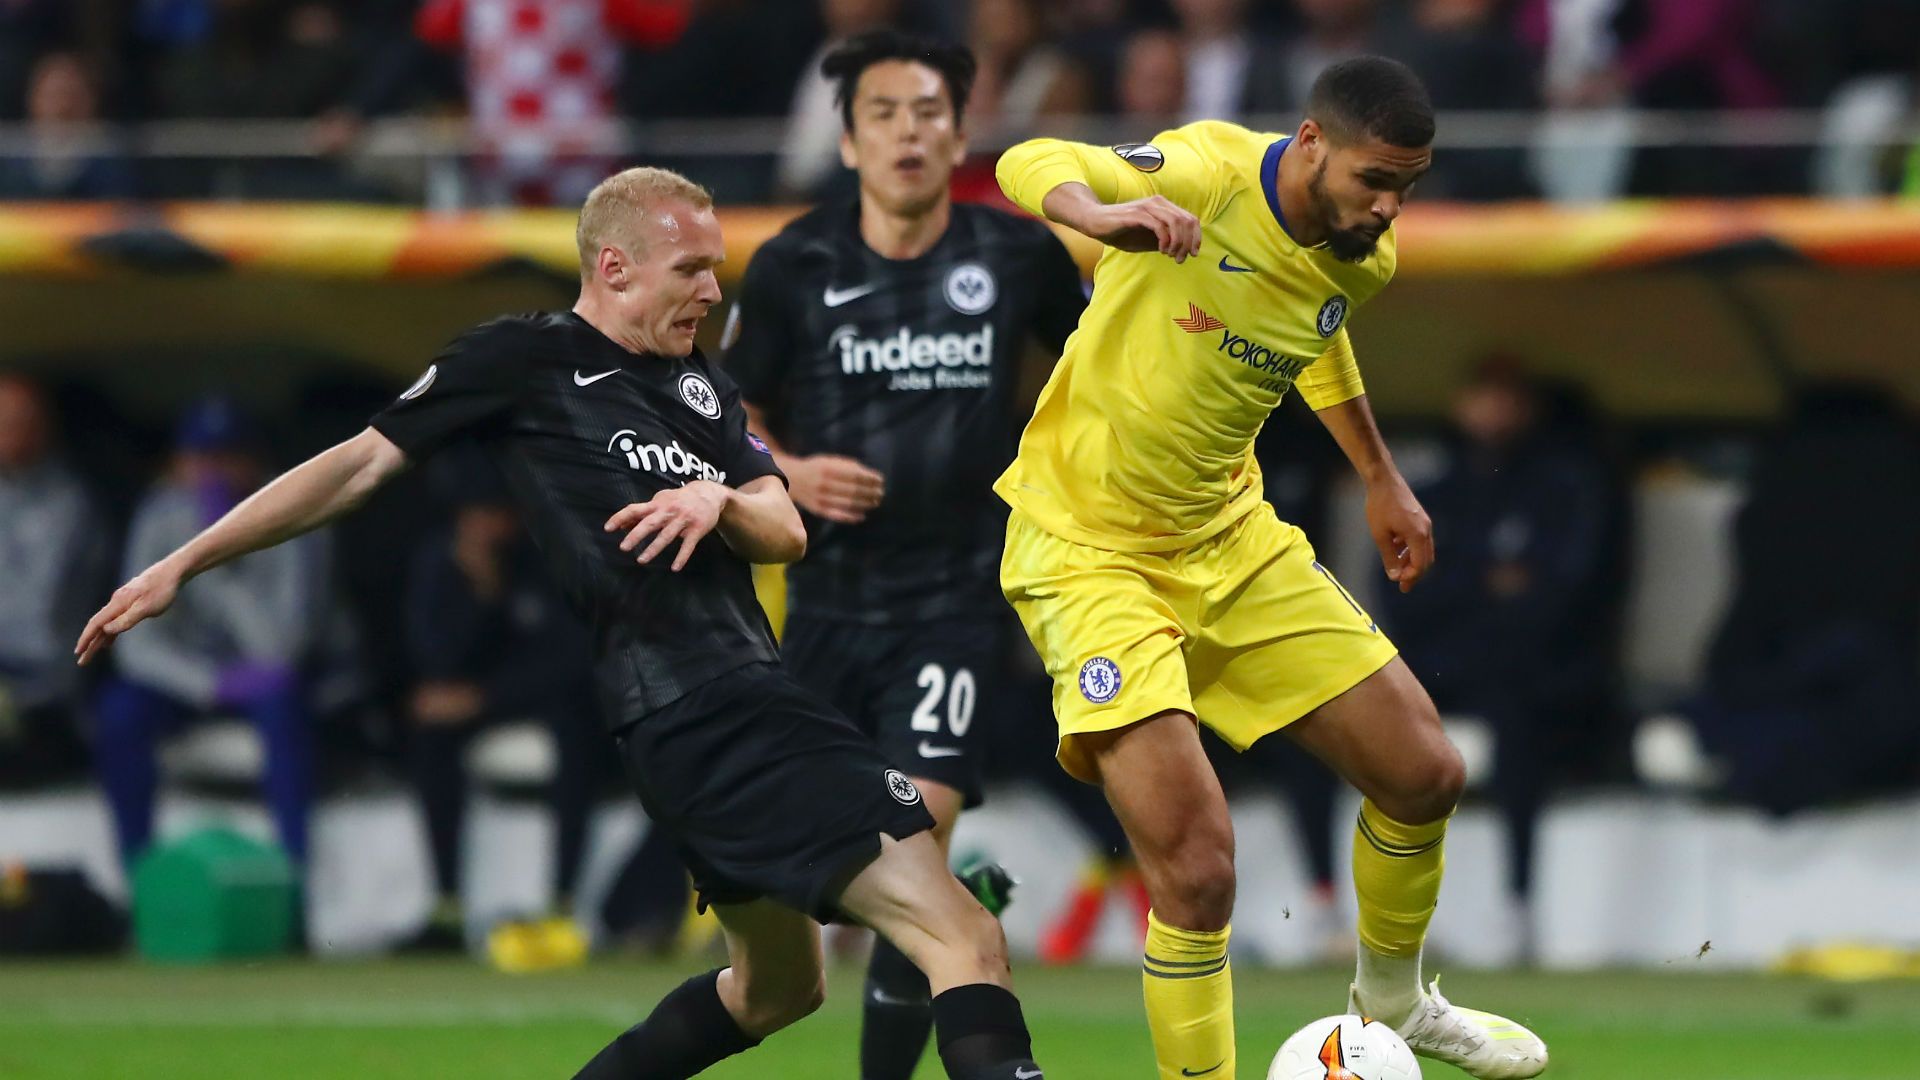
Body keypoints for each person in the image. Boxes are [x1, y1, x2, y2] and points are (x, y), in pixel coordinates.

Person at [77, 166, 1050, 1080]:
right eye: (694, 269)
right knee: (961, 936)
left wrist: (717, 499)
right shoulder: (523, 359)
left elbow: (784, 525)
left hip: (711, 719)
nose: (714, 291)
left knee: (777, 992)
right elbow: (358, 465)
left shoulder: (699, 385)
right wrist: (185, 561)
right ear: (615, 268)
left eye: (717, 267)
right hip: (713, 711)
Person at [992, 57, 1548, 1079]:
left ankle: (1394, 1002)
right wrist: (1098, 214)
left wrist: (1381, 476)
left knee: (1425, 773)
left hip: (1229, 539)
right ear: (1309, 145)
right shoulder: (1203, 171)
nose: (1387, 208)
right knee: (1198, 873)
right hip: (1090, 551)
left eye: (1406, 188)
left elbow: (1309, 330)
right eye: (1373, 181)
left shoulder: (1360, 257)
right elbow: (1028, 157)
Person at [723, 31, 1085, 1080]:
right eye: (883, 114)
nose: (908, 133)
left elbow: (1099, 370)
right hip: (825, 602)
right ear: (847, 143)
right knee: (825, 881)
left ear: (963, 134)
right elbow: (721, 409)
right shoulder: (796, 263)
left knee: (910, 837)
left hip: (954, 598)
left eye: (928, 112)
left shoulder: (1014, 254)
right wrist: (786, 468)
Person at [1384, 359, 1626, 962]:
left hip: (1538, 674)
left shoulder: (1564, 489)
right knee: (1342, 709)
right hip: (1445, 663)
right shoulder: (1433, 493)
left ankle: (1516, 905)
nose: (1488, 409)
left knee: (1515, 712)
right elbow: (1400, 591)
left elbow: (1561, 598)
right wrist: (1485, 583)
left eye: (1504, 395)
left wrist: (1459, 585)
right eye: (1479, 393)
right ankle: (1358, 912)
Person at [91, 397, 331, 872]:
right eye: (201, 458)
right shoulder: (160, 516)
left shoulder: (298, 513)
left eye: (226, 457)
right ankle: (139, 881)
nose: (212, 472)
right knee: (118, 713)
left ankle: (293, 882)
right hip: (189, 680)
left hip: (266, 680)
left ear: (254, 460)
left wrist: (219, 552)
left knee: (286, 710)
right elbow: (134, 642)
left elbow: (280, 648)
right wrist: (205, 684)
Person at [397, 454, 601, 955]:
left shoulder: (547, 557)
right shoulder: (438, 561)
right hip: (475, 702)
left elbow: (571, 659)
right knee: (429, 733)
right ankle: (447, 902)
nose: (488, 525)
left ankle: (562, 900)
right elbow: (433, 657)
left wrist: (484, 696)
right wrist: (480, 596)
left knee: (576, 732)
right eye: (477, 513)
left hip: (539, 697)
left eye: (496, 512)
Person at [0, 374, 109, 788]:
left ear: (43, 427)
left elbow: (38, 623)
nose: (8, 428)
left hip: (48, 692)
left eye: (19, 418)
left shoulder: (69, 503)